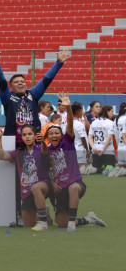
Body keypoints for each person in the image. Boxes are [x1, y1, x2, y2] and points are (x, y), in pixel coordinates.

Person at [43, 94, 107, 231]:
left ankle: (72, 221)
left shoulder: (67, 143)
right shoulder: (47, 150)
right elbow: (46, 168)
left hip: (75, 184)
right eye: (51, 134)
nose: (54, 135)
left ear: (61, 135)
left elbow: (70, 124)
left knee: (73, 188)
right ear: (48, 137)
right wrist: (52, 182)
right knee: (61, 224)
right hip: (60, 189)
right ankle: (89, 219)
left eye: (56, 133)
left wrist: (69, 110)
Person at [0, 47, 70, 147]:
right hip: (14, 143)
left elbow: (46, 80)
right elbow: (1, 82)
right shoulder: (7, 96)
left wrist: (58, 63)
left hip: (34, 142)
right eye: (16, 82)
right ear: (11, 87)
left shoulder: (33, 94)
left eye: (22, 82)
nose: (20, 83)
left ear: (26, 85)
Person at [0, 125, 51, 230]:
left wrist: (43, 142)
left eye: (30, 134)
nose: (27, 137)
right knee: (28, 223)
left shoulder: (40, 148)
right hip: (26, 192)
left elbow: (45, 152)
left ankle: (43, 222)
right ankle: (44, 212)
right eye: (24, 135)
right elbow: (1, 156)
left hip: (43, 186)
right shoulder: (19, 152)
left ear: (34, 136)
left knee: (36, 187)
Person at [88, 104, 116, 171]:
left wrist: (94, 147)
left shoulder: (94, 122)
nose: (113, 113)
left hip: (96, 150)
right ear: (107, 111)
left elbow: (90, 137)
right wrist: (103, 149)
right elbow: (109, 138)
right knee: (109, 170)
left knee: (97, 170)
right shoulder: (110, 123)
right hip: (107, 151)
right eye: (112, 111)